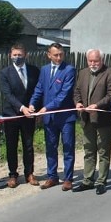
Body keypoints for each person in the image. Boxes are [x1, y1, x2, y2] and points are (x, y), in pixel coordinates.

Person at [29, 43, 77, 191]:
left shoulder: (69, 70)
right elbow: (39, 88)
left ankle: (68, 178)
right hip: (49, 118)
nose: (59, 57)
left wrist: (46, 108)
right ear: (49, 55)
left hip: (65, 117)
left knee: (68, 147)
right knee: (50, 147)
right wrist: (32, 104)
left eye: (61, 54)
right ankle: (52, 177)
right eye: (55, 55)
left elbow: (64, 94)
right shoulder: (44, 70)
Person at [73, 49, 111, 195]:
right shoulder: (82, 72)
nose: (93, 63)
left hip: (103, 119)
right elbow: (77, 91)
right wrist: (78, 103)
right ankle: (87, 180)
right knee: (88, 150)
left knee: (103, 150)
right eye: (90, 61)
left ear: (102, 60)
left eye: (96, 61)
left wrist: (97, 106)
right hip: (86, 118)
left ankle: (101, 181)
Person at [0, 43, 40, 188]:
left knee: (28, 145)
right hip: (12, 115)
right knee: (11, 145)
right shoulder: (5, 73)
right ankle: (13, 175)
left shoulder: (34, 71)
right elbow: (8, 95)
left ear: (26, 55)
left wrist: (34, 106)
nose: (17, 57)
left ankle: (29, 173)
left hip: (29, 115)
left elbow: (37, 91)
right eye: (15, 55)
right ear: (10, 56)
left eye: (20, 55)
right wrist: (22, 108)